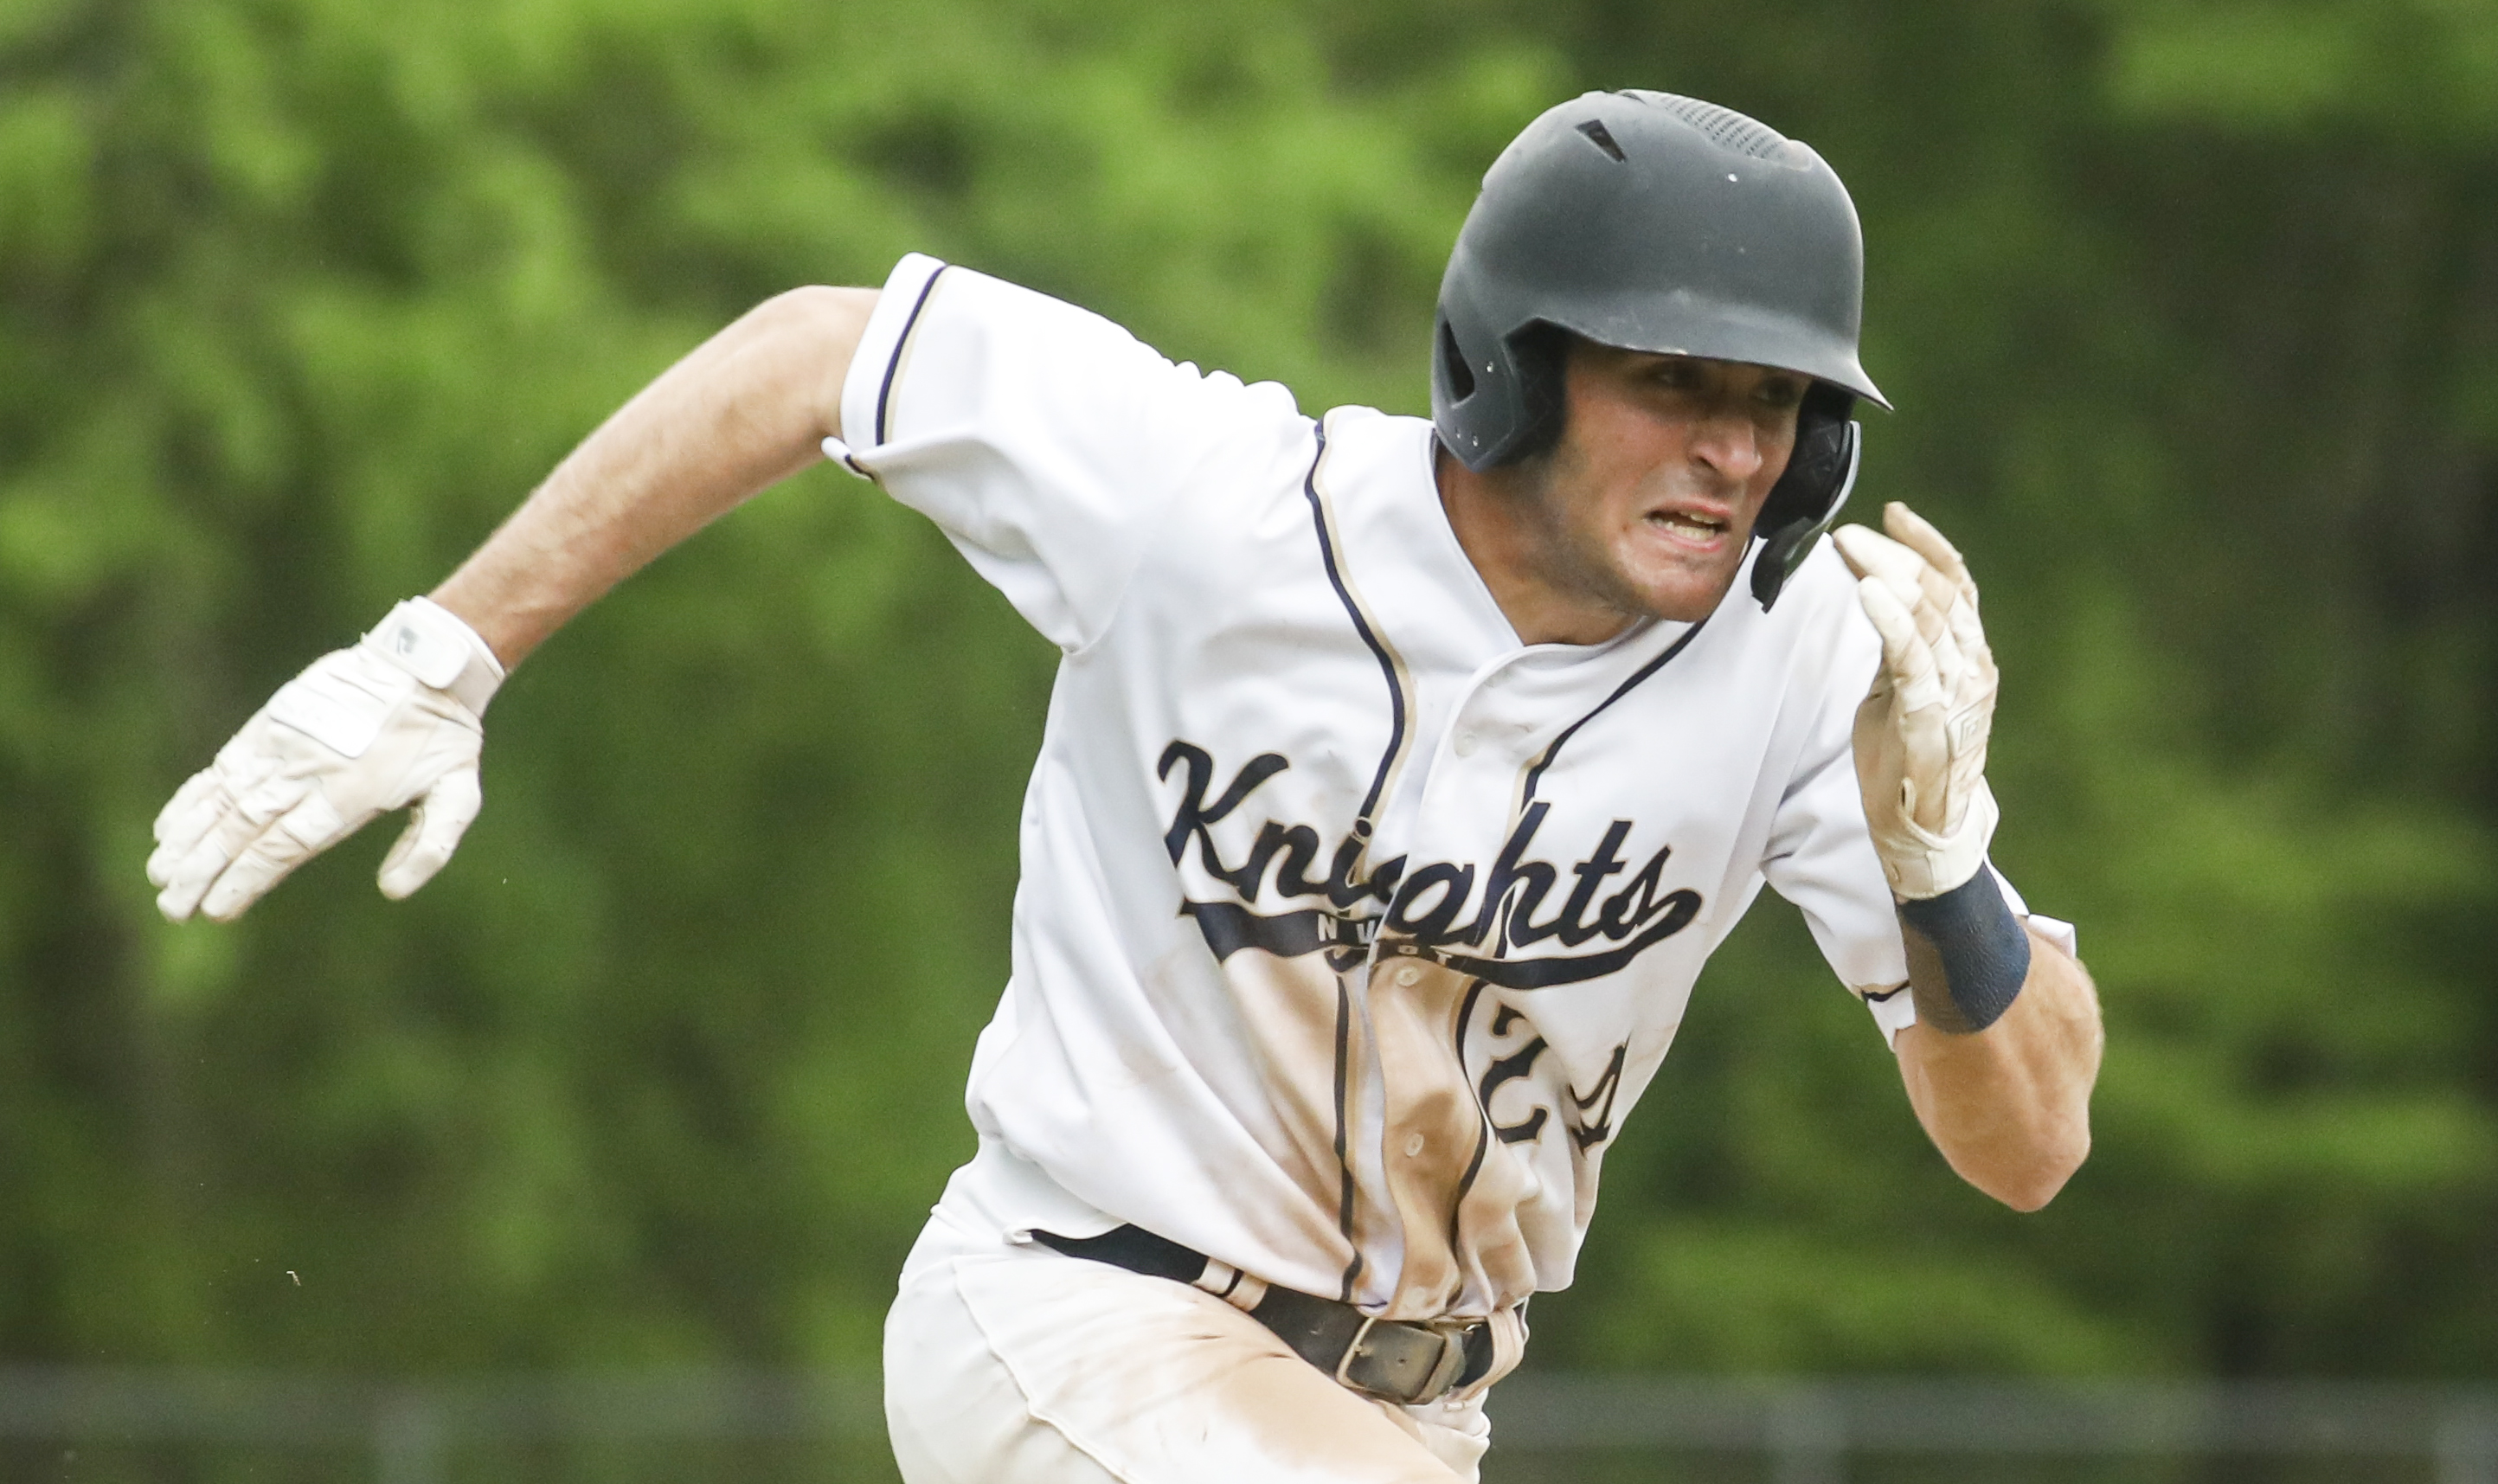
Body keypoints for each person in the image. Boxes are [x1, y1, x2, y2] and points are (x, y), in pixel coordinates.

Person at [145, 90, 2103, 1482]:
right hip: (1074, 1309)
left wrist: (1940, 861)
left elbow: (2027, 1146)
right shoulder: (1220, 506)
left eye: (1776, 403)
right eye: (1677, 380)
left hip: (1411, 1414)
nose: (1736, 446)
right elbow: (826, 353)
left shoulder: (1819, 676)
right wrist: (448, 648)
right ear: (1514, 366)